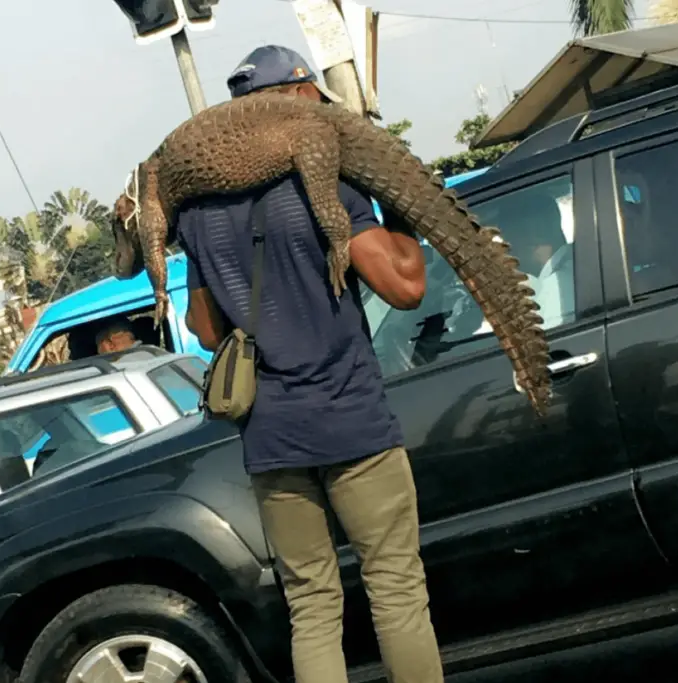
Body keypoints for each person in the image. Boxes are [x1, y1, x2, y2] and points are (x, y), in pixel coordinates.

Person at [176, 45, 444, 683]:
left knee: (313, 607)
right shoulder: (323, 178)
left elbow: (206, 328)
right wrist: (402, 209)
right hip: (350, 418)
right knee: (397, 592)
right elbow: (405, 287)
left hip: (271, 436)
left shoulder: (197, 203)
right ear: (296, 96)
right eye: (316, 96)